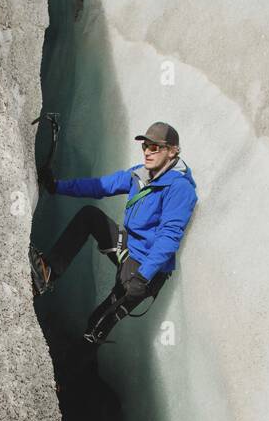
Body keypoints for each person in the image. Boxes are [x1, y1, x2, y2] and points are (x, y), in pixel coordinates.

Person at [30, 122, 198, 344]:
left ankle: (78, 368)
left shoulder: (180, 188)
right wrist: (57, 186)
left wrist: (143, 276)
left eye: (155, 147)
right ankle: (47, 273)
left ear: (173, 151)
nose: (147, 151)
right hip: (129, 248)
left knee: (97, 325)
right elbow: (101, 186)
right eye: (145, 146)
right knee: (90, 216)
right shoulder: (141, 174)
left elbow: (169, 237)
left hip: (146, 268)